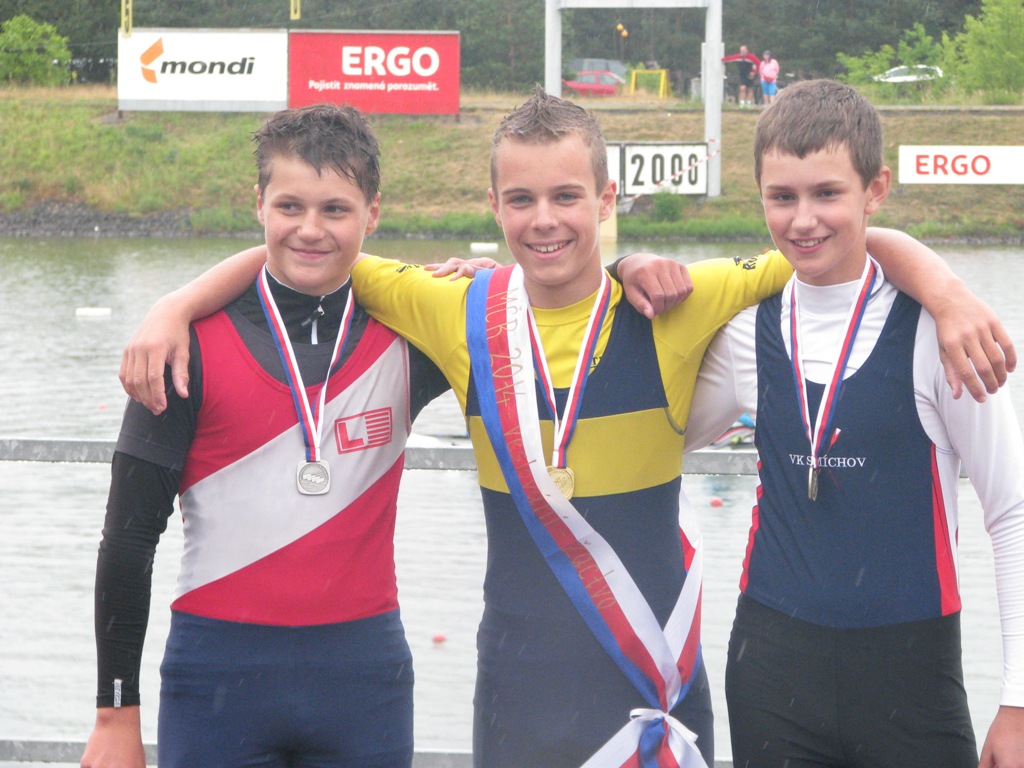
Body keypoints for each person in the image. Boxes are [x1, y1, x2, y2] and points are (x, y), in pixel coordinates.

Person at [116, 89, 1014, 767]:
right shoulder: (449, 306)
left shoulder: (681, 301)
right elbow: (309, 249)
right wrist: (174, 306)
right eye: (520, 200)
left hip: (655, 672)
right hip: (519, 686)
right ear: (494, 204)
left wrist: (945, 291)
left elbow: (832, 245)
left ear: (607, 198)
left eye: (567, 197)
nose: (544, 220)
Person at [80, 104, 454, 768]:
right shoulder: (183, 347)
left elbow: (551, 304)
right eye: (289, 206)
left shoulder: (414, 335)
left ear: (372, 214)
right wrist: (115, 714)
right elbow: (128, 543)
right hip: (215, 685)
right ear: (258, 204)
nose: (310, 229)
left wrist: (628, 268)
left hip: (364, 685)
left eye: (335, 210)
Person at [680, 80, 1024, 768]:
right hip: (771, 671)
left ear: (876, 190)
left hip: (911, 678)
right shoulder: (745, 332)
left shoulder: (941, 331)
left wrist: (1018, 701)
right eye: (782, 197)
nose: (803, 219)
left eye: (827, 193)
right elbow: (651, 435)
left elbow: (1012, 512)